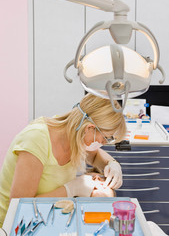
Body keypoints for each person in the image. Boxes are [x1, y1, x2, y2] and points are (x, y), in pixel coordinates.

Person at [0, 93, 126, 227]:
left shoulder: (75, 136)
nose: (104, 143)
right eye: (106, 138)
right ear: (89, 128)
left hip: (46, 218)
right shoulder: (37, 140)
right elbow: (20, 207)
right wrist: (72, 189)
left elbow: (94, 155)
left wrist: (112, 164)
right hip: (13, 225)